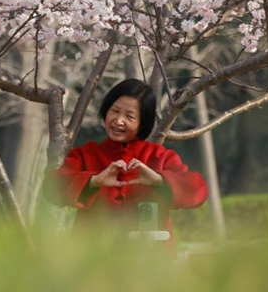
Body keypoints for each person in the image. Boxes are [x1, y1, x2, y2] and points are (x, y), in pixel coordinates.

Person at [43, 78, 208, 246]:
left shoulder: (160, 157)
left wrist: (159, 180)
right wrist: (93, 181)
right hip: (93, 260)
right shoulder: (86, 154)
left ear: (142, 123)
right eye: (114, 111)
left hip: (151, 261)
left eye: (129, 116)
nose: (118, 120)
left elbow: (199, 192)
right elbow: (50, 188)